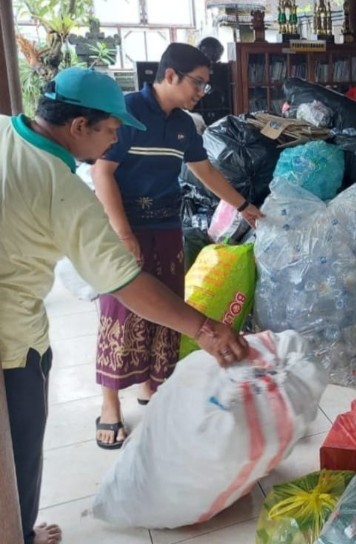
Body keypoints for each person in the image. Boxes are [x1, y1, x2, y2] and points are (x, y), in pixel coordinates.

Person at [0, 67, 248, 544]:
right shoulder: (65, 192)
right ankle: (20, 535)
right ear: (78, 128)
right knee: (19, 449)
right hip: (13, 344)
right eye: (111, 131)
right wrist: (207, 330)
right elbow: (127, 283)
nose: (115, 141)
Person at [91, 43, 263, 449]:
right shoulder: (127, 113)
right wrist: (123, 233)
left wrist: (242, 205)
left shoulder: (185, 123)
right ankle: (110, 405)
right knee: (120, 311)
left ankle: (152, 386)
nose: (202, 91)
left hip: (167, 225)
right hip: (124, 224)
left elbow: (203, 170)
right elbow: (103, 174)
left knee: (168, 305)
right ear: (170, 75)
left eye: (205, 84)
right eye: (197, 82)